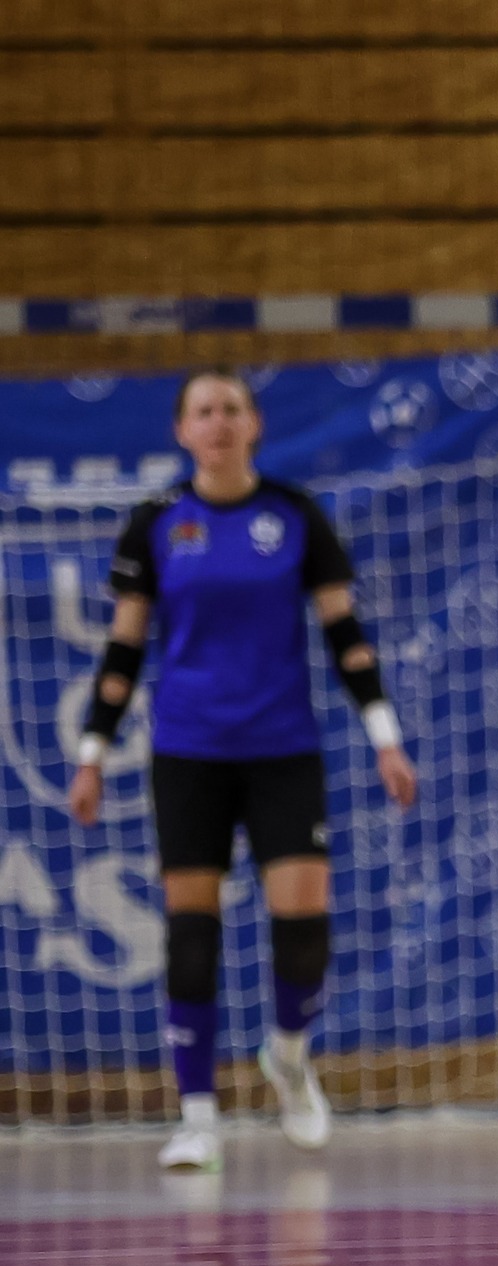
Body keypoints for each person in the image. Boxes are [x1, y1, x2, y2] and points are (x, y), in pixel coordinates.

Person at [68, 368, 419, 1174]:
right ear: (181, 431)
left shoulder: (293, 515)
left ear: (255, 424)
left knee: (303, 926)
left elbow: (347, 641)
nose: (219, 422)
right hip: (188, 752)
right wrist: (91, 755)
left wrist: (385, 737)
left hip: (282, 750)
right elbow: (123, 653)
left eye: (232, 409)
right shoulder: (156, 523)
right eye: (203, 411)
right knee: (192, 932)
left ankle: (288, 1057)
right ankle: (197, 1117)